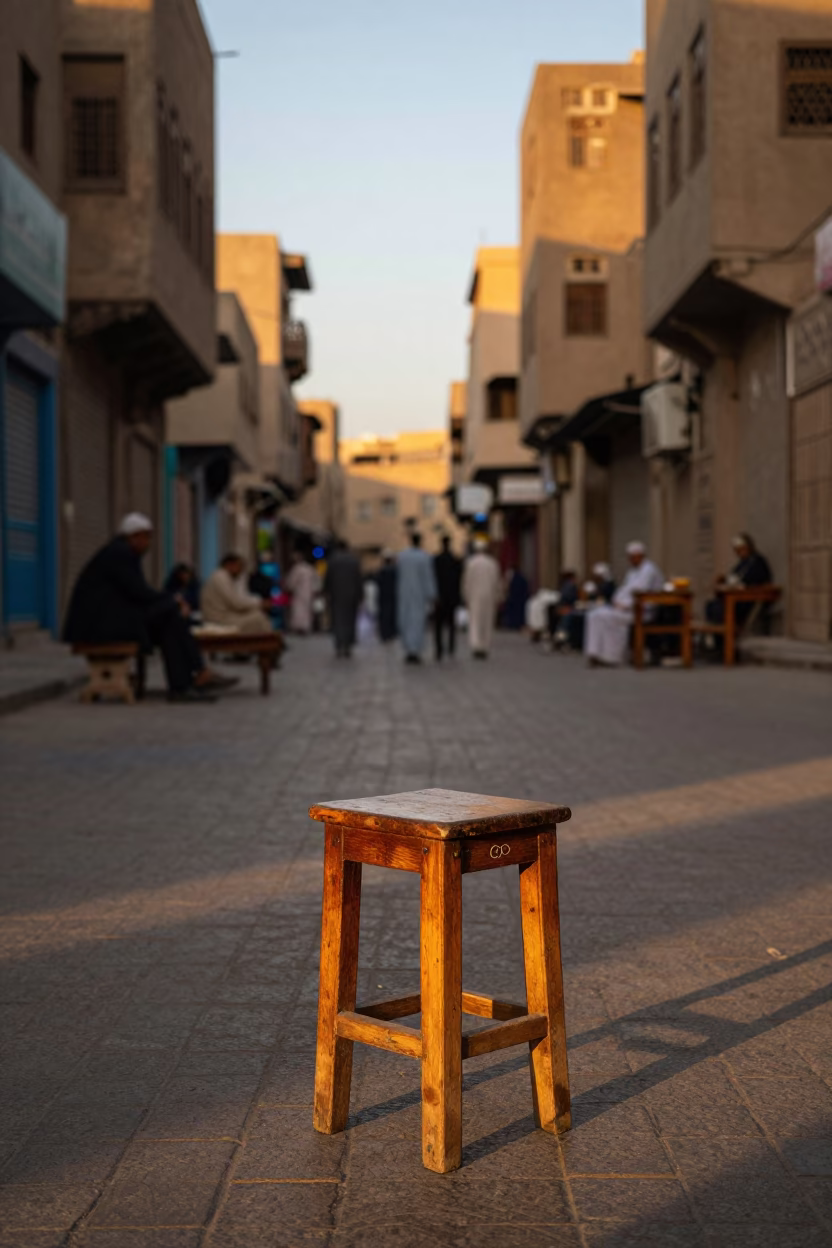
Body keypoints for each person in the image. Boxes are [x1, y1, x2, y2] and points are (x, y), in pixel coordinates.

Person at [63, 514, 230, 703]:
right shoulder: (120, 554)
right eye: (146, 537)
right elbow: (139, 592)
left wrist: (171, 602)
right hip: (99, 627)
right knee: (171, 615)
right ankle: (194, 676)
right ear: (134, 536)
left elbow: (138, 593)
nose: (148, 543)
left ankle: (186, 683)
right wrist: (174, 601)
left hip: (109, 620)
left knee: (171, 622)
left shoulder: (122, 552)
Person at [584, 541, 664, 667]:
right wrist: (616, 601)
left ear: (640, 556)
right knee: (594, 615)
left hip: (641, 611)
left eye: (633, 557)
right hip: (625, 608)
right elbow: (624, 589)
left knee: (606, 617)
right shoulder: (632, 572)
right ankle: (595, 653)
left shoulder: (649, 570)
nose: (630, 560)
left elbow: (640, 592)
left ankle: (612, 656)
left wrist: (625, 605)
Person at [706, 533, 773, 627]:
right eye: (737, 550)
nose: (740, 552)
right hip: (736, 597)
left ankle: (726, 633)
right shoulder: (742, 563)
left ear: (748, 547)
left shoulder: (758, 561)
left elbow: (754, 581)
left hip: (747, 599)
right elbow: (733, 577)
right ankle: (718, 633)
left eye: (742, 548)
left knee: (720, 608)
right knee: (710, 605)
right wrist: (724, 579)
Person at [202, 554, 273, 634]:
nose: (241, 570)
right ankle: (269, 640)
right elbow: (236, 603)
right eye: (240, 566)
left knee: (256, 614)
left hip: (225, 616)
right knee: (259, 617)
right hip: (219, 619)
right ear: (230, 565)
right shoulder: (221, 577)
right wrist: (260, 603)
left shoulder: (224, 577)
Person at [396, 531, 437, 664]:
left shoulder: (402, 556)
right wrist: (432, 594)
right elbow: (428, 577)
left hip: (404, 593)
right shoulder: (425, 557)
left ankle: (409, 649)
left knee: (406, 621)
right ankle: (415, 650)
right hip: (419, 594)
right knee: (417, 622)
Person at [463, 537, 501, 659]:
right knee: (487, 621)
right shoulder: (492, 563)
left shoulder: (471, 563)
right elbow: (497, 582)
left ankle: (476, 645)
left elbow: (466, 581)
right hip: (489, 595)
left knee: (475, 621)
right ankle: (484, 646)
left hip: (474, 595)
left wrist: (466, 595)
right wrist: (498, 596)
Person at [324, 540, 363, 657]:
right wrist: (360, 594)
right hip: (352, 595)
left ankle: (339, 643)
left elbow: (328, 578)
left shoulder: (332, 560)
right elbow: (359, 578)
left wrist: (326, 591)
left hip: (336, 594)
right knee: (350, 620)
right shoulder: (354, 561)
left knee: (337, 619)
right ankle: (348, 645)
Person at [433, 535, 462, 661]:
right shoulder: (455, 560)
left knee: (438, 626)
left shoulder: (436, 560)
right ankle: (451, 648)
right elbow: (459, 580)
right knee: (451, 624)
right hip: (451, 597)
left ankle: (439, 649)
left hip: (439, 597)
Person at [285, 552, 320, 635]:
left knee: (298, 610)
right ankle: (306, 627)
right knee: (307, 610)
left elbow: (291, 583)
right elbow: (316, 581)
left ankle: (299, 627)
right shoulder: (310, 568)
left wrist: (288, 587)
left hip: (299, 593)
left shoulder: (296, 569)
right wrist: (315, 590)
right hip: (309, 593)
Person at [377, 550, 397, 642]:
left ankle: (386, 634)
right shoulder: (394, 571)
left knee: (385, 616)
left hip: (384, 597)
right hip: (391, 597)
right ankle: (390, 633)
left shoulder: (382, 571)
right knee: (390, 615)